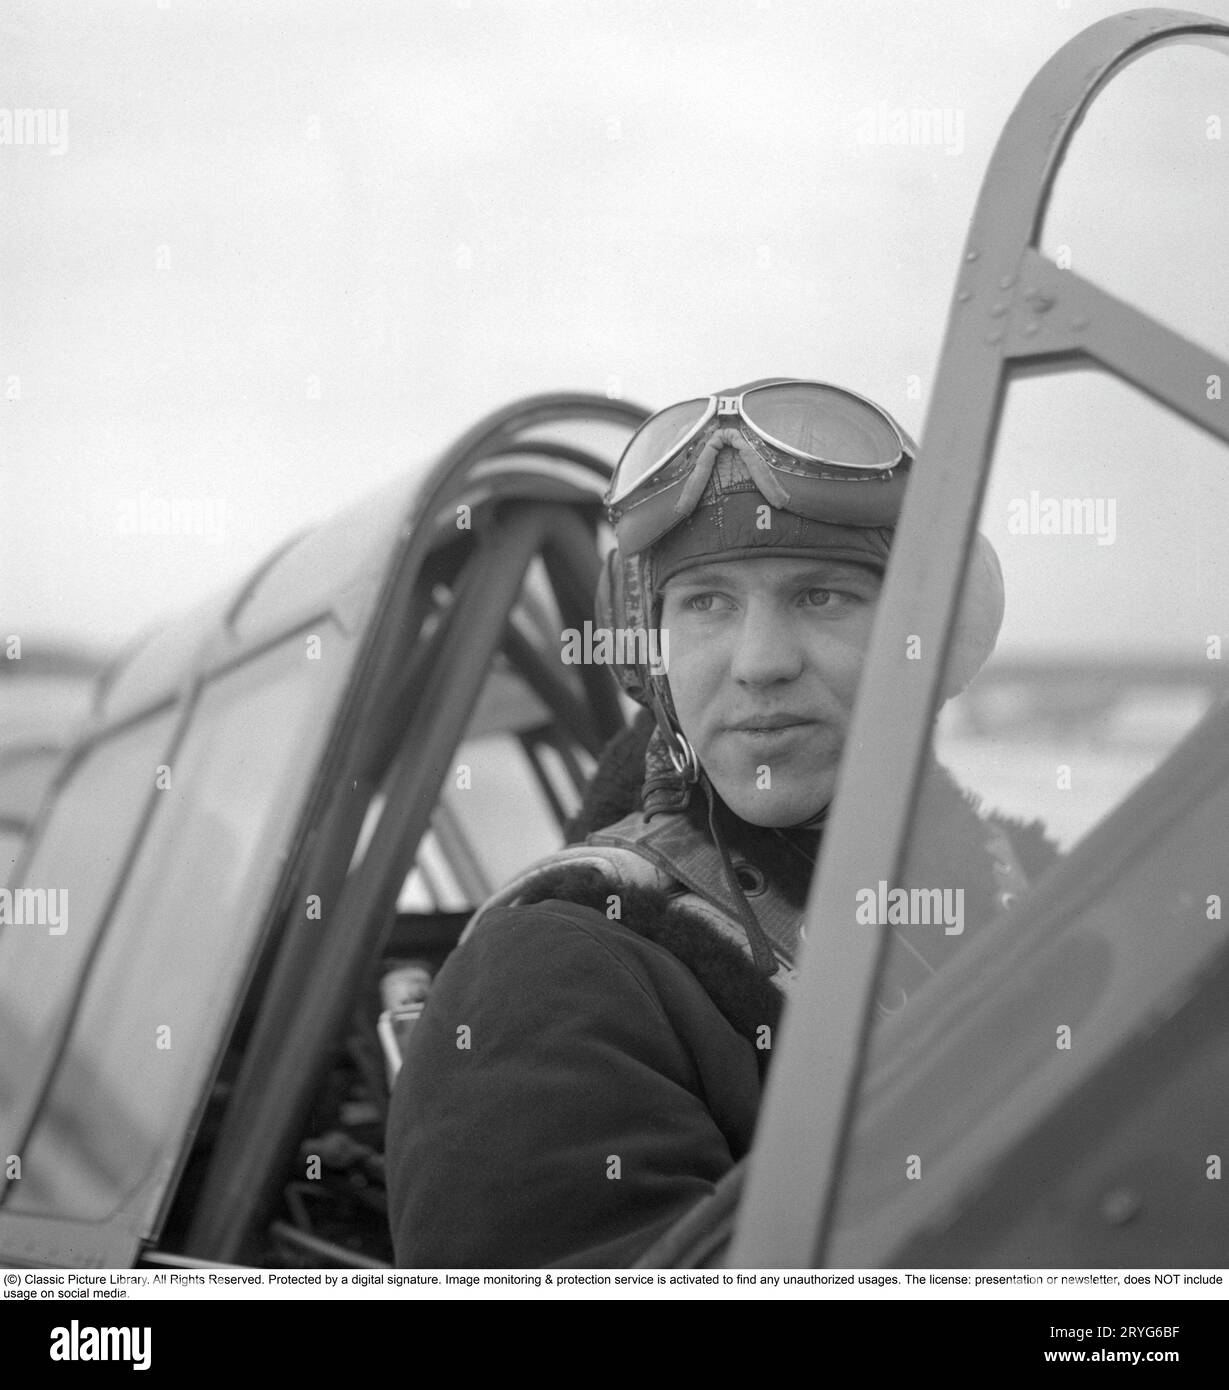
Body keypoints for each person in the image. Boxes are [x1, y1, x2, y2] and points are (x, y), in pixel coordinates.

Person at [384, 378, 1057, 1267]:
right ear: (652, 649)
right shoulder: (552, 980)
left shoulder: (1034, 894)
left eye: (822, 598)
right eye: (705, 603)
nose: (761, 663)